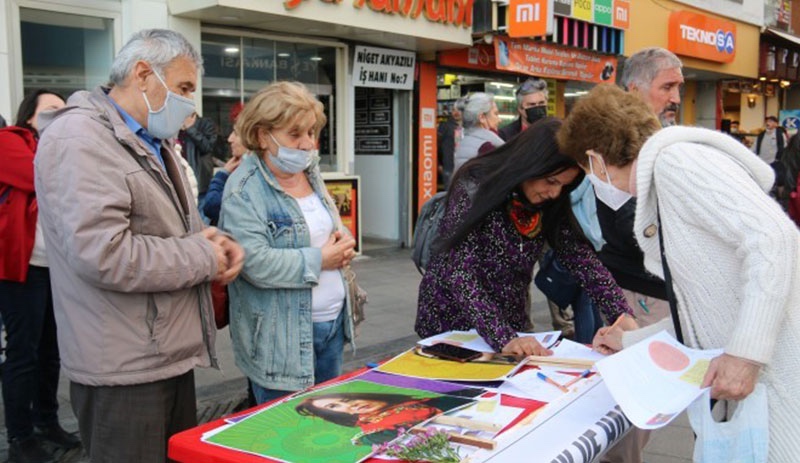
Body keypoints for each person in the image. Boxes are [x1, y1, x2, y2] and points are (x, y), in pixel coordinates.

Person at [559, 83, 800, 463]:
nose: (592, 181)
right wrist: (627, 343)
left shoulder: (676, 164)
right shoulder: (666, 178)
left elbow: (774, 238)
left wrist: (745, 355)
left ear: (595, 157)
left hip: (778, 378)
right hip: (755, 385)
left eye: (586, 170)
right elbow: (700, 309)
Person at [34, 29, 244, 463]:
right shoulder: (80, 138)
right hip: (122, 365)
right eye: (184, 88)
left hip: (159, 350)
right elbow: (103, 253)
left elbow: (168, 228)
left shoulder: (150, 138)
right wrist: (204, 256)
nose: (189, 102)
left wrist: (214, 239)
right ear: (144, 75)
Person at [415, 118, 635, 356]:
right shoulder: (475, 184)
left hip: (508, 325)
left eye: (564, 185)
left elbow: (581, 258)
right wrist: (502, 335)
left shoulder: (550, 202)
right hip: (451, 324)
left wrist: (621, 315)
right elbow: (459, 271)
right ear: (530, 164)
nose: (554, 192)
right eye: (551, 181)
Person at [220, 81, 357, 405]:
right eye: (296, 134)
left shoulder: (310, 171)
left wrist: (342, 240)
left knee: (326, 429)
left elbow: (324, 225)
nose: (308, 144)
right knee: (283, 438)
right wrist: (320, 260)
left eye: (311, 133)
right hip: (281, 341)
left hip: (331, 328)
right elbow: (254, 263)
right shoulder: (244, 189)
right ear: (263, 135)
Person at [0, 89, 79, 463]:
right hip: (22, 270)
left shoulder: (66, 148)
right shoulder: (8, 141)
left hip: (58, 269)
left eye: (65, 110)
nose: (59, 116)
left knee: (51, 353)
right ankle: (20, 436)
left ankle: (47, 422)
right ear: (29, 115)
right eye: (51, 110)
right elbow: (40, 179)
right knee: (22, 354)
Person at [295, 392, 468, 445]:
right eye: (334, 407)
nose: (351, 406)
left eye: (347, 400)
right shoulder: (375, 434)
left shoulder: (429, 401)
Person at [452, 92, 504, 174]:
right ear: (482, 118)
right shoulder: (486, 147)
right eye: (496, 114)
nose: (500, 120)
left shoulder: (466, 141)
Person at [203, 129, 246, 225]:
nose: (230, 139)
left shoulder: (246, 177)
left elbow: (211, 206)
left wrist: (221, 175)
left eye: (236, 133)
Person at [177, 111, 221, 206]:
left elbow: (207, 147)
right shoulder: (174, 126)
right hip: (180, 185)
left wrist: (190, 128)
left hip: (199, 186)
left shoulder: (205, 124)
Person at [437, 97, 464, 187]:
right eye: (453, 110)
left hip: (464, 167)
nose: (456, 113)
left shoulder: (468, 127)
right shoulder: (445, 126)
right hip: (448, 167)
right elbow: (436, 145)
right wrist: (438, 164)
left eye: (459, 110)